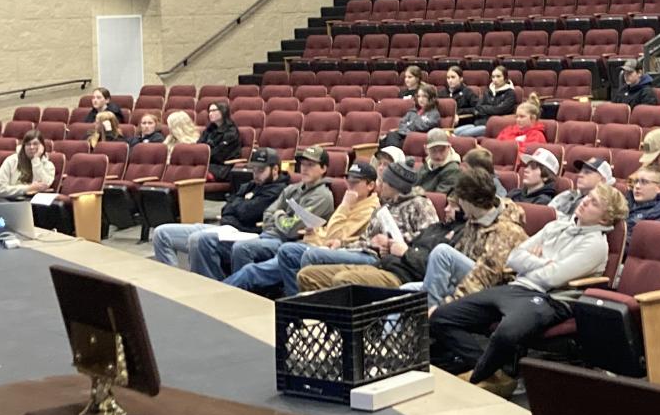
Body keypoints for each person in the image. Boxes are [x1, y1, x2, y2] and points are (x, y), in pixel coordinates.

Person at [429, 185, 628, 391]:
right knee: (442, 317)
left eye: (594, 203)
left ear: (604, 219)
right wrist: (543, 261)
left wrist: (532, 260)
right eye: (588, 197)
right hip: (517, 287)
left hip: (551, 299)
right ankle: (495, 373)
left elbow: (551, 279)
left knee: (507, 333)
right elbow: (514, 256)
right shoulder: (556, 226)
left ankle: (479, 377)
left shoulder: (596, 244)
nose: (585, 201)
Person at [310, 166, 527, 300]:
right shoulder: (471, 222)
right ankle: (393, 349)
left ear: (467, 201)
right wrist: (394, 249)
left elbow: (482, 276)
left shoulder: (502, 229)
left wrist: (444, 305)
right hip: (401, 266)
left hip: (482, 289)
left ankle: (428, 312)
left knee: (440, 255)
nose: (448, 208)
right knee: (404, 296)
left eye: (455, 203)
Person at [239, 159, 432, 298]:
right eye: (348, 182)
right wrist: (341, 243)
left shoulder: (417, 205)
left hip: (381, 260)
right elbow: (357, 238)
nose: (350, 187)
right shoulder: (386, 206)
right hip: (355, 248)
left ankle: (303, 312)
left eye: (385, 182)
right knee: (287, 255)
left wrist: (391, 244)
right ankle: (299, 308)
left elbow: (428, 240)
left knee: (302, 256)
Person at [184, 145, 335, 280]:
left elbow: (290, 229)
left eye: (311, 165)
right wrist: (277, 217)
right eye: (302, 164)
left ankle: (240, 296)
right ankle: (210, 285)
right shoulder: (292, 189)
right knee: (204, 241)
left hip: (287, 243)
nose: (304, 169)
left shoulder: (322, 196)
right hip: (264, 235)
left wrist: (278, 215)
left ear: (323, 168)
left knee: (242, 248)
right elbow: (267, 214)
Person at [149, 145, 284, 265]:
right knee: (161, 233)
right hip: (224, 229)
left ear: (275, 170)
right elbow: (226, 208)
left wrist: (237, 206)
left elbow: (246, 212)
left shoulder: (279, 190)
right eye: (253, 169)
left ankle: (207, 285)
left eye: (260, 170)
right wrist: (238, 207)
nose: (255, 174)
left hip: (245, 235)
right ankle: (174, 281)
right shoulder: (250, 185)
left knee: (197, 239)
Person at [0, 129, 54, 197]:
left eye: (35, 144)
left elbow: (42, 186)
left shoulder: (48, 166)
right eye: (28, 144)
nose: (31, 147)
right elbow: (1, 189)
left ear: (42, 147)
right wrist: (28, 188)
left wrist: (36, 160)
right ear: (23, 147)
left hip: (25, 200)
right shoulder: (11, 161)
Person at [459, 65, 519, 137]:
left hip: (494, 126)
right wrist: (491, 108)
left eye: (498, 76)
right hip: (479, 123)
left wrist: (485, 108)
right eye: (493, 77)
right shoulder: (488, 92)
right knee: (456, 132)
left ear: (505, 78)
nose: (495, 79)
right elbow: (478, 106)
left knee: (463, 135)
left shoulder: (510, 93)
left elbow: (500, 110)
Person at [624, 166, 660, 239]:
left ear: (659, 188)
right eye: (636, 181)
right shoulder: (625, 200)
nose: (637, 186)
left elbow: (641, 242)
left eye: (644, 182)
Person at [200, 101, 244, 182]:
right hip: (208, 163)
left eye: (214, 111)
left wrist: (203, 156)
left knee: (199, 170)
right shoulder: (209, 129)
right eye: (209, 111)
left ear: (223, 111)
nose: (210, 114)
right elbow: (199, 146)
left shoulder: (231, 132)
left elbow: (220, 154)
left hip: (223, 167)